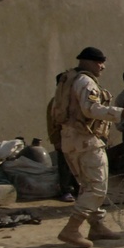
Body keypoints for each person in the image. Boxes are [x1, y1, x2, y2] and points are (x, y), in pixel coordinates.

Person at [51, 47, 124, 248]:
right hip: (86, 140)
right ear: (88, 62)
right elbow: (91, 109)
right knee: (97, 187)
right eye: (99, 63)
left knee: (88, 186)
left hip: (71, 140)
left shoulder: (69, 79)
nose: (102, 67)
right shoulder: (85, 82)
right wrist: (120, 112)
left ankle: (96, 226)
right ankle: (71, 229)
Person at [46, 73, 77, 202]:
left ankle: (78, 190)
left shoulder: (73, 100)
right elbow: (52, 124)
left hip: (76, 139)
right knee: (65, 166)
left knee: (77, 166)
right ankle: (66, 191)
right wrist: (56, 141)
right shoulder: (56, 102)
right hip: (63, 139)